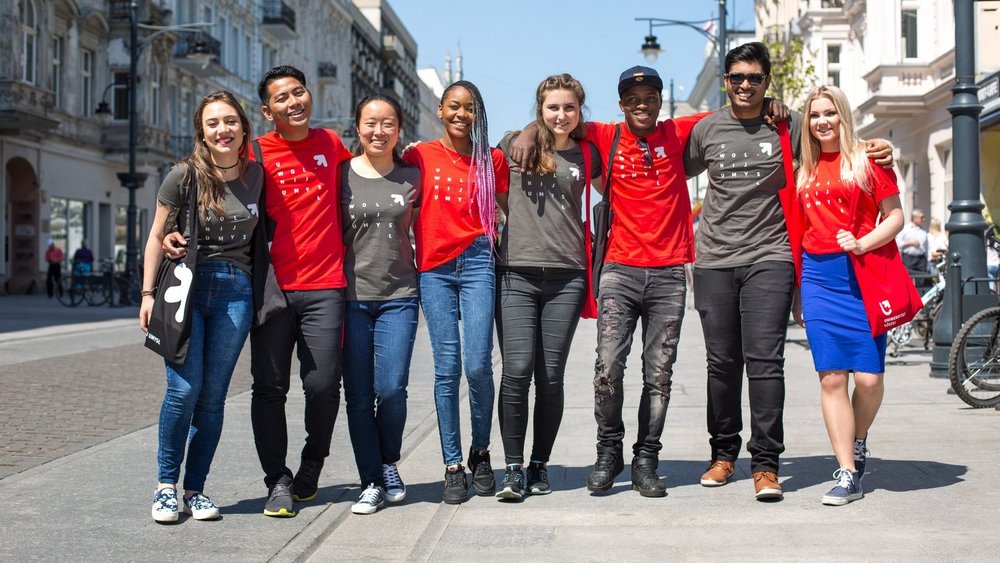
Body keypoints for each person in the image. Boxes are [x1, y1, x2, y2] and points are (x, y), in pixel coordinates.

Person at [683, 42, 893, 501]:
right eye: (736, 77)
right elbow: (662, 168)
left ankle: (765, 465)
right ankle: (723, 455)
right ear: (725, 80)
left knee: (764, 362)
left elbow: (835, 142)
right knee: (721, 363)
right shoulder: (706, 129)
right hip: (715, 259)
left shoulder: (788, 124)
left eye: (754, 78)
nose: (744, 85)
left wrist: (881, 148)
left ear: (766, 83)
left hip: (771, 257)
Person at [167, 67, 354, 517]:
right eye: (282, 98)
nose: (294, 102)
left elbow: (379, 164)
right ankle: (278, 481)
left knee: (324, 385)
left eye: (299, 92)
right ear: (267, 112)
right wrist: (174, 232)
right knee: (268, 388)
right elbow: (206, 189)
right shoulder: (254, 155)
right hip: (268, 289)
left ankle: (312, 465)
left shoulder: (332, 144)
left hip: (325, 285)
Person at [141, 90, 263, 523]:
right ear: (202, 132)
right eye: (213, 123)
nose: (222, 129)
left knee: (212, 399)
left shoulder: (257, 177)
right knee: (183, 390)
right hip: (186, 289)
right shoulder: (183, 175)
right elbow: (158, 235)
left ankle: (196, 489)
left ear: (244, 129)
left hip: (236, 294)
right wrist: (147, 295)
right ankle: (164, 486)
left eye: (230, 121)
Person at [791, 84, 903, 506]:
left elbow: (895, 216)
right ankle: (847, 472)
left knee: (870, 379)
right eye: (815, 115)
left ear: (843, 116)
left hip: (862, 274)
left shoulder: (867, 161)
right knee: (833, 376)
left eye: (830, 113)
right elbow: (799, 231)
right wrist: (800, 291)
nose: (822, 121)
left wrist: (864, 241)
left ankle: (858, 440)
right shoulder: (803, 169)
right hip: (819, 278)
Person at [493, 74, 601, 500]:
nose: (561, 115)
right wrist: (527, 130)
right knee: (517, 371)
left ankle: (540, 465)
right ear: (540, 108)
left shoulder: (588, 154)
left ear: (579, 111)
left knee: (550, 376)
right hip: (515, 272)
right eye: (552, 107)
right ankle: (513, 469)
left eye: (569, 107)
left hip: (567, 275)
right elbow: (479, 174)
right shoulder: (512, 144)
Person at [402, 80, 509, 504]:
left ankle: (480, 453)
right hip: (434, 269)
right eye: (454, 106)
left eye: (470, 108)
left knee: (479, 363)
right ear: (440, 109)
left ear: (478, 114)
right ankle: (452, 464)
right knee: (446, 368)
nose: (461, 114)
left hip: (479, 260)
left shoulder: (492, 159)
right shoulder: (419, 155)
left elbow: (506, 209)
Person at [340, 93, 421, 515]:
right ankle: (370, 479)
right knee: (357, 396)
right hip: (350, 299)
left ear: (399, 129)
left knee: (391, 390)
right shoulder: (340, 176)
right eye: (370, 123)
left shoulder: (413, 175)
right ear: (358, 128)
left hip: (399, 298)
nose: (378, 130)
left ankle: (389, 462)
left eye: (387, 123)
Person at [897, 209, 929, 288]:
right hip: (909, 257)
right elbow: (897, 242)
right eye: (921, 217)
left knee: (921, 280)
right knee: (907, 279)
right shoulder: (906, 229)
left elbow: (927, 246)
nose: (923, 219)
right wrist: (909, 243)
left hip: (921, 258)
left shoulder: (924, 229)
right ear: (915, 218)